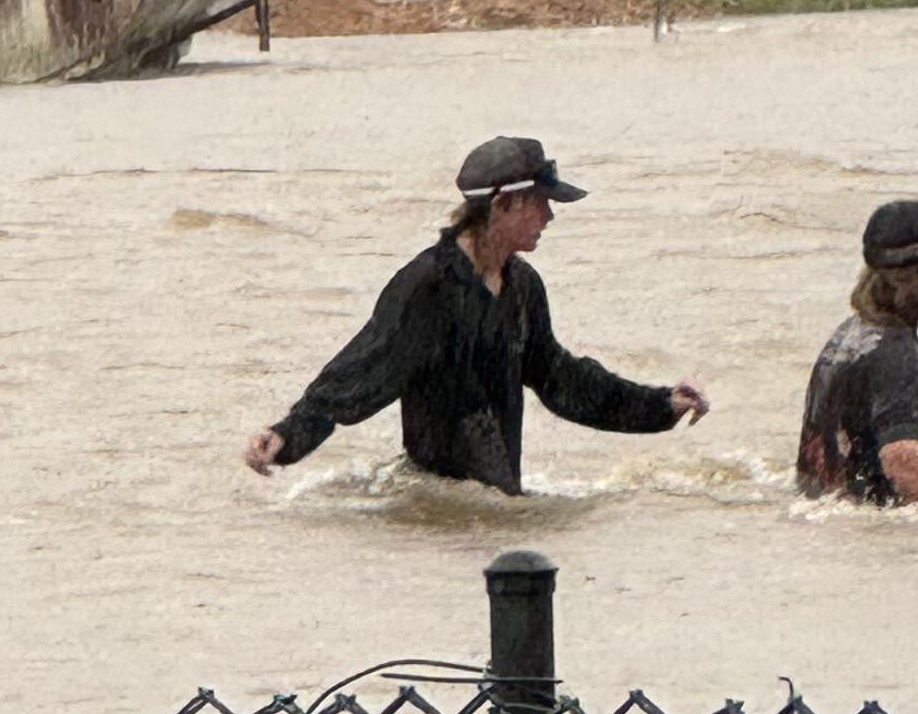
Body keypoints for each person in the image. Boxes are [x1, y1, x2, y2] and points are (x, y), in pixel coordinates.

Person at [242, 136, 707, 495]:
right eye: (542, 203)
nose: (550, 217)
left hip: (496, 500)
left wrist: (659, 405)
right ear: (504, 204)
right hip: (440, 517)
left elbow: (562, 380)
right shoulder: (427, 287)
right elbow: (359, 372)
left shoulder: (523, 287)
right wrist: (287, 436)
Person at [797, 196, 918, 504]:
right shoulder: (900, 352)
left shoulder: (850, 334)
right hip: (868, 534)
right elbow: (901, 460)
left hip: (829, 525)